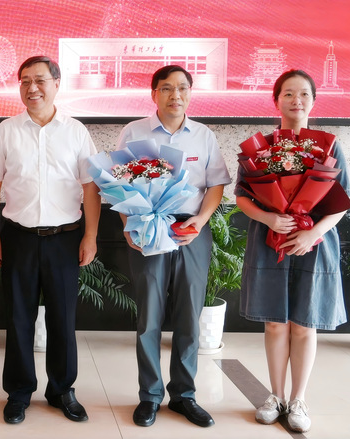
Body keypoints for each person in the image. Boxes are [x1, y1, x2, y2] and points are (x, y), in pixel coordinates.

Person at [0, 56, 101, 424]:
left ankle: (62, 389)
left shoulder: (76, 131)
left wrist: (91, 235)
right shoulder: (7, 130)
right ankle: (19, 392)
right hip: (18, 238)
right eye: (25, 81)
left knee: (63, 319)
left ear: (56, 84)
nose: (32, 88)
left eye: (40, 80)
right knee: (18, 318)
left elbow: (90, 187)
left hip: (65, 239)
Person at [235, 69, 350, 433]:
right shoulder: (262, 147)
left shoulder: (329, 146)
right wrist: (269, 218)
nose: (295, 100)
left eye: (303, 94)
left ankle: (299, 399)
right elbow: (242, 196)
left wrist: (312, 232)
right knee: (274, 321)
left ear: (314, 101)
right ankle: (276, 395)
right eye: (288, 93)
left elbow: (342, 202)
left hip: (314, 242)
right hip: (270, 240)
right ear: (276, 100)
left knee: (304, 323)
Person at [116, 65, 231, 428]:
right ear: (154, 94)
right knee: (149, 316)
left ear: (190, 93)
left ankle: (184, 395)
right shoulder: (134, 132)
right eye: (167, 88)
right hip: (148, 228)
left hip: (191, 230)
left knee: (188, 317)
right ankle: (150, 395)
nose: (175, 95)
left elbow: (215, 184)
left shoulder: (203, 135)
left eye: (182, 88)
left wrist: (201, 220)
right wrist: (128, 225)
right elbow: (119, 185)